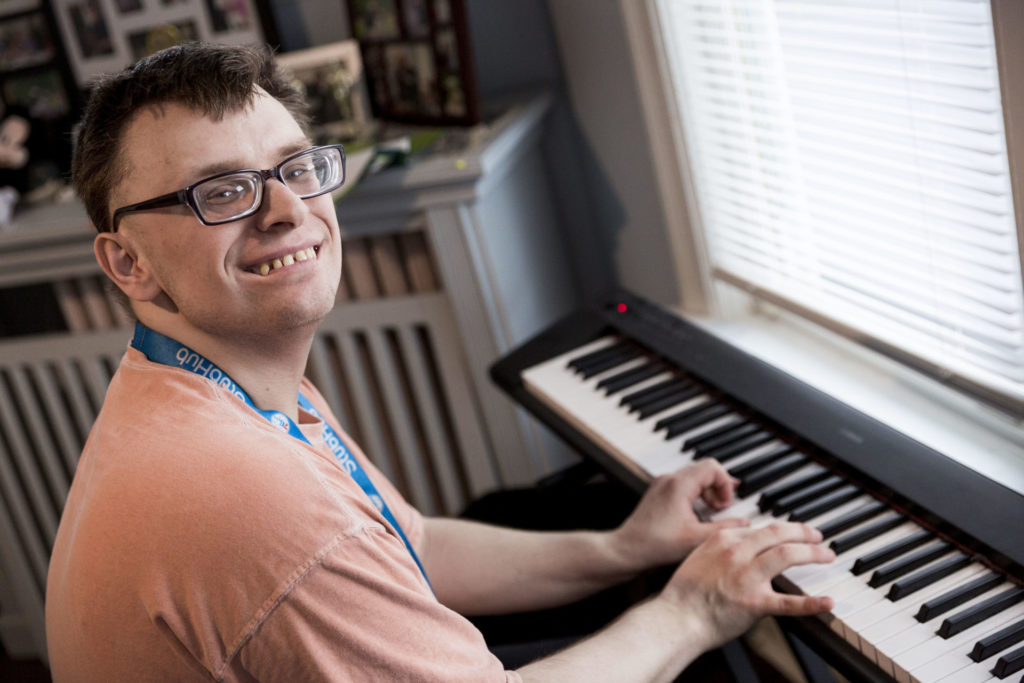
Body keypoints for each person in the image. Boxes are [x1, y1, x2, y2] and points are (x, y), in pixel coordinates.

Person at [45, 42, 835, 682]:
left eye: (294, 167)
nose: (287, 209)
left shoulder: (204, 388)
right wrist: (692, 610)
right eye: (220, 192)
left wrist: (623, 548)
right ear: (127, 263)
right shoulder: (240, 492)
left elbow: (410, 542)